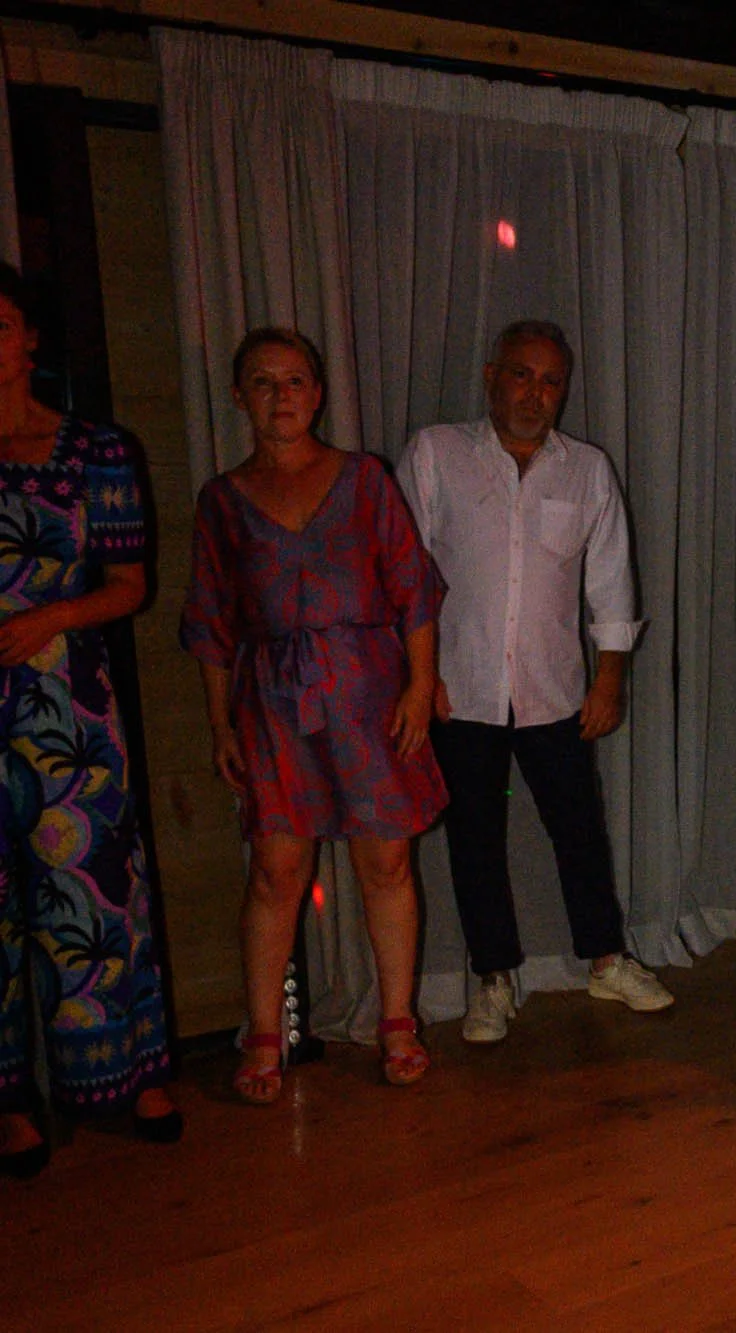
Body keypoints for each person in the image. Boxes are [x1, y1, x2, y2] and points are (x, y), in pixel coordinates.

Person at [182, 327, 446, 1102]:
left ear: (318, 393)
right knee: (276, 869)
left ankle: (397, 1020)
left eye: (294, 381)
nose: (281, 396)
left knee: (386, 862)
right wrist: (220, 724)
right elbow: (209, 623)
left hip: (369, 691)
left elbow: (414, 590)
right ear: (240, 397)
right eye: (262, 383)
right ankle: (264, 1034)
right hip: (270, 701)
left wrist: (420, 687)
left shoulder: (365, 480)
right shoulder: (222, 501)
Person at [396, 321, 667, 1043]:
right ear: (492, 375)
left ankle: (606, 959)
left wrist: (609, 679)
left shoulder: (587, 470)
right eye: (522, 375)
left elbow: (611, 583)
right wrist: (421, 678)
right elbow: (402, 575)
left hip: (554, 690)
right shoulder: (436, 455)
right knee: (475, 839)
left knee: (580, 831)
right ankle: (493, 978)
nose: (535, 393)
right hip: (461, 687)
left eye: (550, 381)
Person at [0, 263, 177, 1176]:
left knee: (98, 894)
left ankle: (134, 1073)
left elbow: (131, 585)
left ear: (28, 336)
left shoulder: (99, 449)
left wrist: (42, 620)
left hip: (69, 705)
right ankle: (9, 1103)